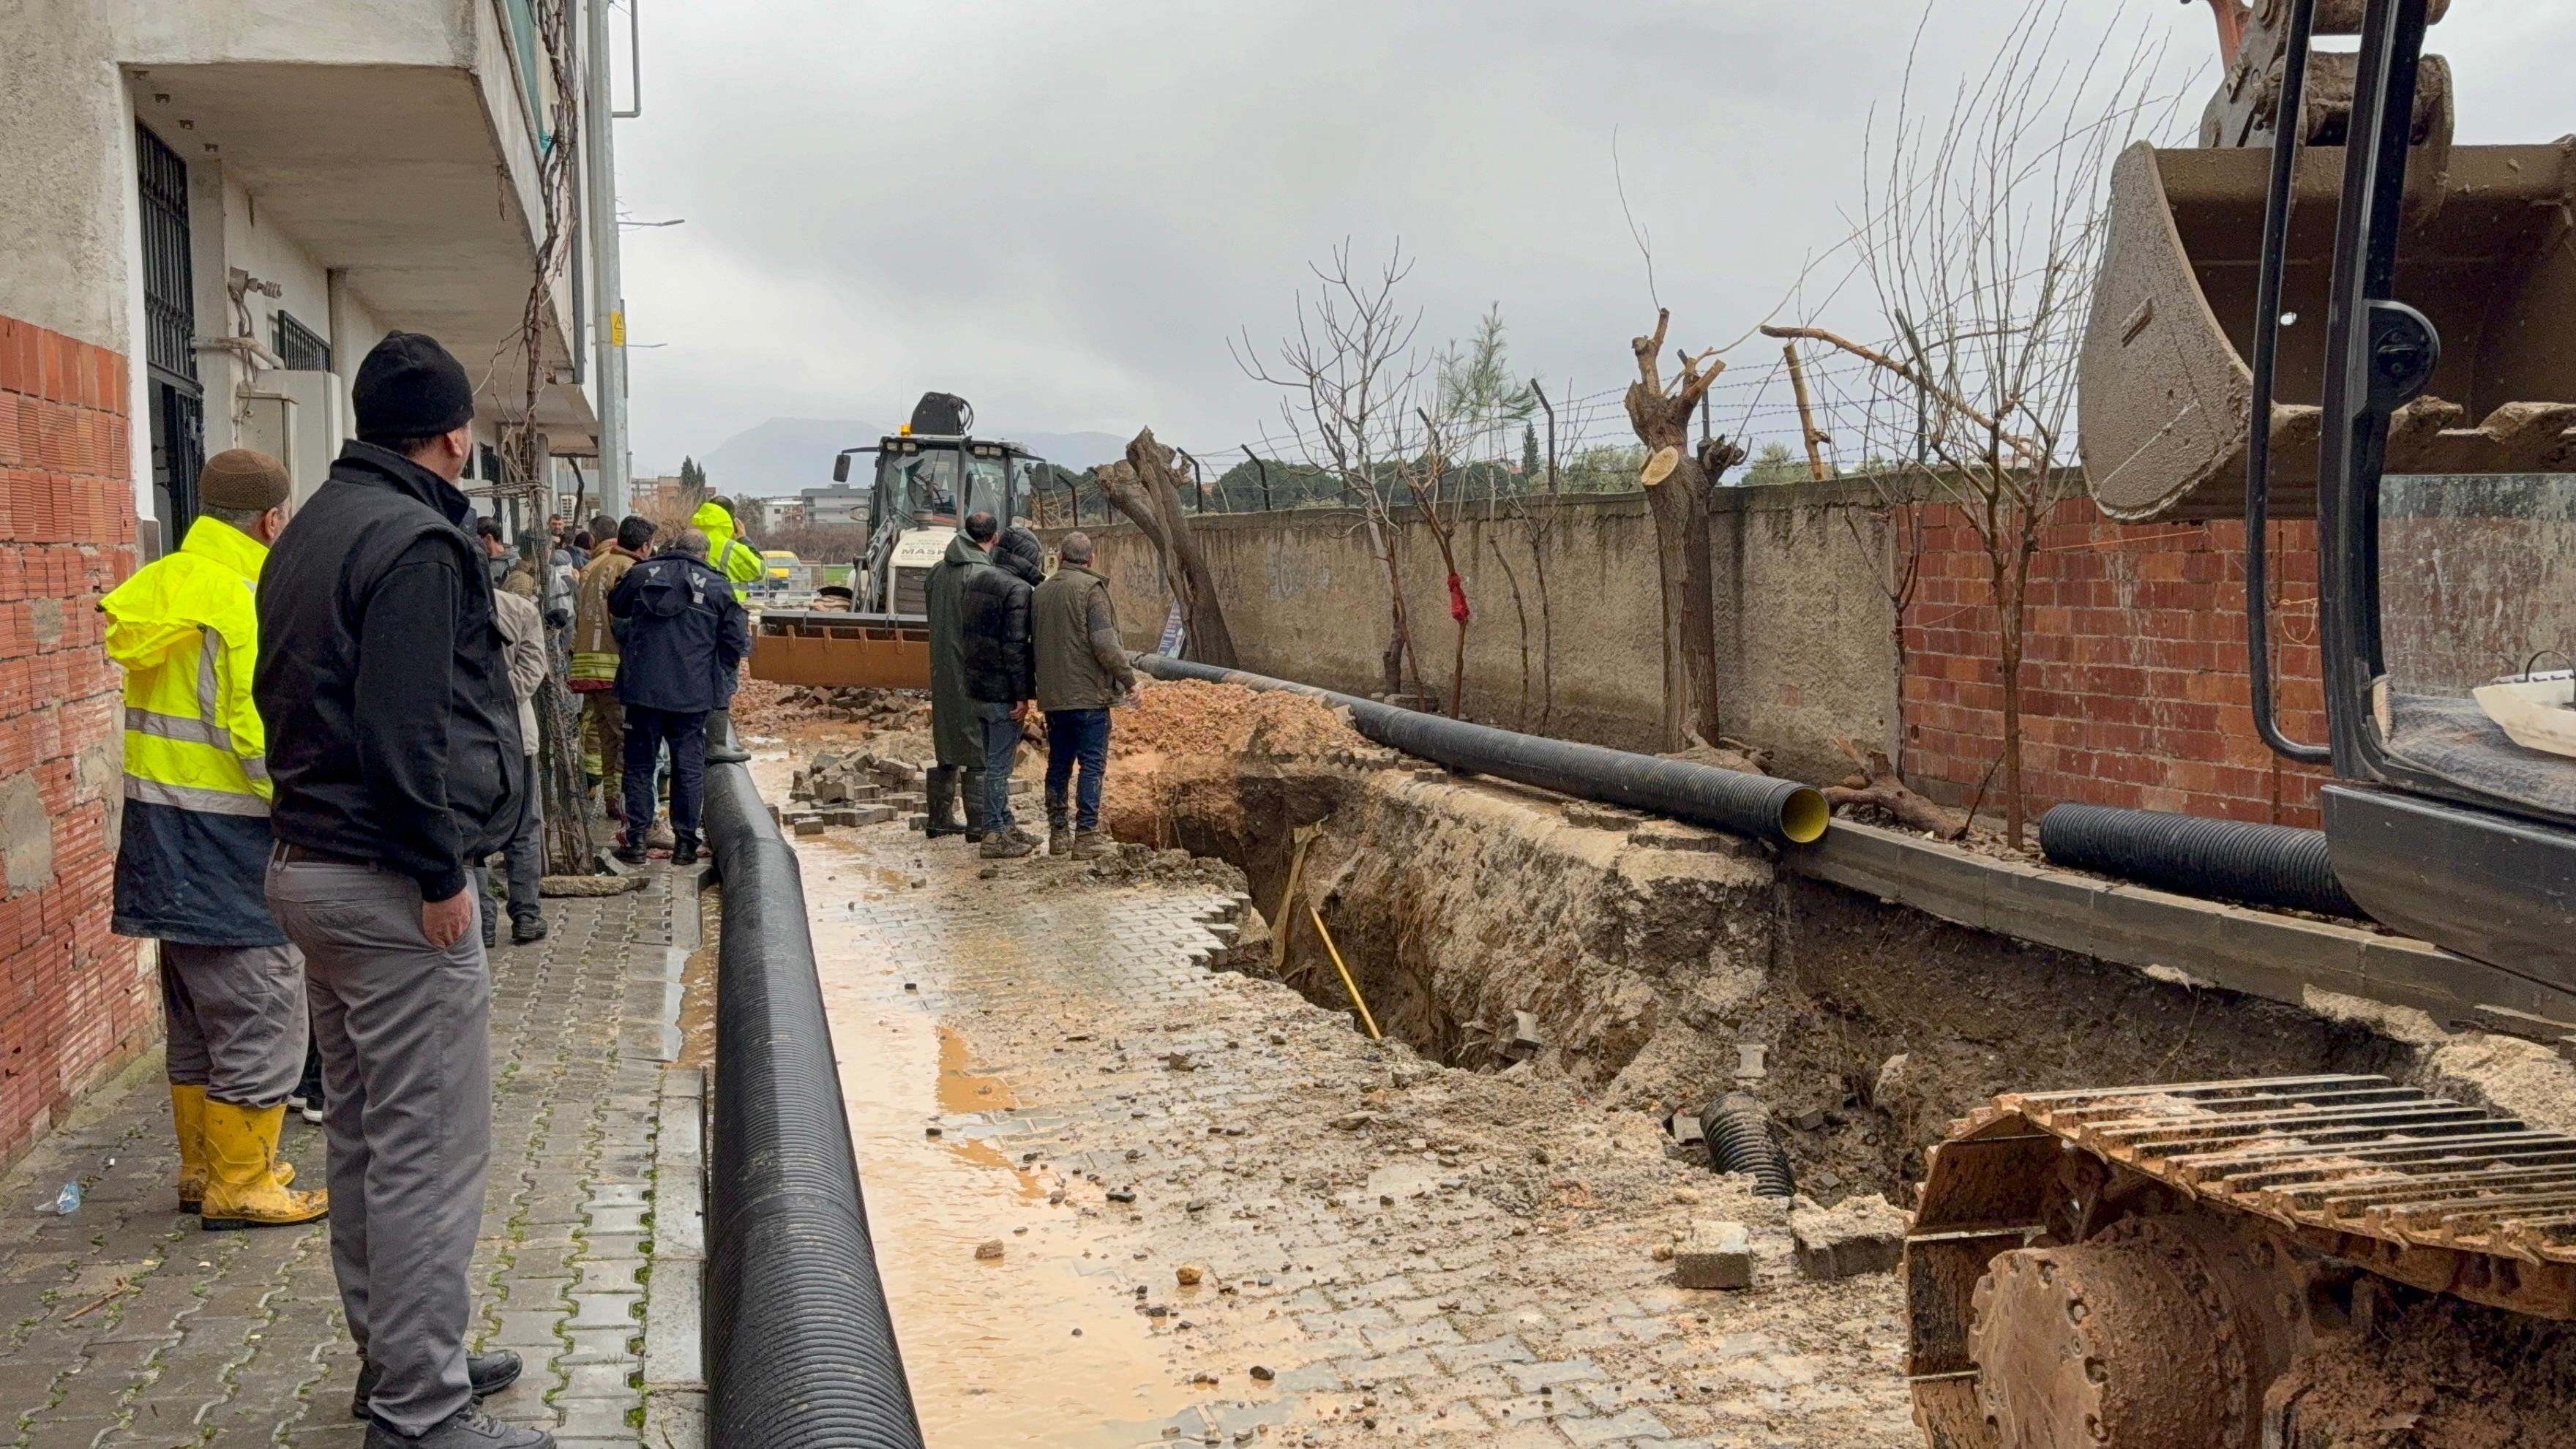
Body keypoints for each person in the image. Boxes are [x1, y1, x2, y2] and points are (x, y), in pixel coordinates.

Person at [255, 332, 542, 1449]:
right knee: (427, 1150)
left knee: (372, 1139)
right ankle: (423, 1413)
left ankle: (403, 1359)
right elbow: (400, 728)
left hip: (307, 872)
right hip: (388, 887)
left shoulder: (315, 526)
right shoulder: (419, 541)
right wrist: (438, 875)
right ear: (455, 435)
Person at [102, 448, 327, 1229]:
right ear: (272, 520)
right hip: (231, 835)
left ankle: (205, 1166)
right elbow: (255, 732)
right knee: (263, 1011)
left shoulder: (164, 583)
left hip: (158, 830)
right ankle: (244, 1181)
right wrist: (314, 801)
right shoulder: (246, 597)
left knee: (195, 1014)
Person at [608, 528, 748, 868]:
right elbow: (735, 643)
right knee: (688, 767)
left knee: (639, 766)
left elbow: (616, 606)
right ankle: (686, 844)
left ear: (672, 548)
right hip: (693, 694)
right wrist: (716, 676)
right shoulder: (717, 585)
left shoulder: (642, 574)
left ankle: (638, 840)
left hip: (642, 691)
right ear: (704, 554)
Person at [1031, 530, 1139, 859]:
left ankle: (1058, 834)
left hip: (1053, 696)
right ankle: (1087, 835)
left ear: (1061, 558)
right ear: (1090, 560)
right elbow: (1105, 643)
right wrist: (1130, 680)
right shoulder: (1092, 591)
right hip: (1089, 695)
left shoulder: (1040, 592)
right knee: (1092, 764)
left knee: (1059, 762)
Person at [960, 526, 1044, 858]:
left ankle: (1006, 824)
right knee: (999, 767)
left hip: (977, 688)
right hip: (1002, 694)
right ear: (1027, 558)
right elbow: (1015, 649)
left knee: (989, 761)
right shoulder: (1019, 590)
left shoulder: (977, 579)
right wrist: (1023, 695)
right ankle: (994, 835)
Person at [923, 511, 997, 840]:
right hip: (974, 672)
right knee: (978, 747)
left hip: (942, 670)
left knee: (947, 742)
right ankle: (979, 825)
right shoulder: (982, 574)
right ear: (993, 538)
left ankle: (939, 819)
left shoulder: (938, 572)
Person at [572, 517, 652, 818]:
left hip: (585, 666)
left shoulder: (590, 567)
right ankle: (622, 804)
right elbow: (627, 624)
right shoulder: (628, 569)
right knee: (625, 738)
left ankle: (610, 800)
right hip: (613, 667)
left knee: (605, 736)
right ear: (644, 545)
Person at [486, 583, 549, 947]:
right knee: (524, 828)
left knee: (471, 837)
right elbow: (532, 670)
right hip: (517, 734)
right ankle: (526, 915)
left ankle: (484, 924)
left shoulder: (442, 606)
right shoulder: (520, 609)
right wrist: (499, 696)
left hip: (463, 738)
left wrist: (474, 700)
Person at [689, 498, 763, 763]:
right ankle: (717, 742)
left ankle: (696, 736)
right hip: (726, 623)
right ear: (731, 521)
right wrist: (744, 540)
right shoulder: (731, 546)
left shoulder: (689, 539)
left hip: (691, 625)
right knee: (724, 679)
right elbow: (758, 571)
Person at [473, 515, 509, 588]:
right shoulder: (482, 560)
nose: (476, 546)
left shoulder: (512, 562)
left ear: (488, 538)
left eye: (478, 541)